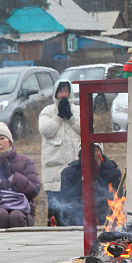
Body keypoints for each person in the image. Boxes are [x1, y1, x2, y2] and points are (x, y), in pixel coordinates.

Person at [38, 79, 81, 225]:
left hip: (74, 171)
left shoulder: (78, 110)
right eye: (61, 91)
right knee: (56, 211)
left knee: (74, 209)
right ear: (55, 93)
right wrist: (58, 117)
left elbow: (86, 129)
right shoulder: (47, 111)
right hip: (54, 171)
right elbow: (45, 130)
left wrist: (70, 116)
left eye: (66, 91)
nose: (64, 94)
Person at [58, 143, 123, 226]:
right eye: (86, 151)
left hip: (105, 219)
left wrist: (95, 177)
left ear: (101, 153)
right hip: (77, 219)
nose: (90, 154)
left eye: (94, 150)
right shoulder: (68, 173)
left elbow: (116, 198)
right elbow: (66, 199)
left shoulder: (113, 173)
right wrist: (85, 177)